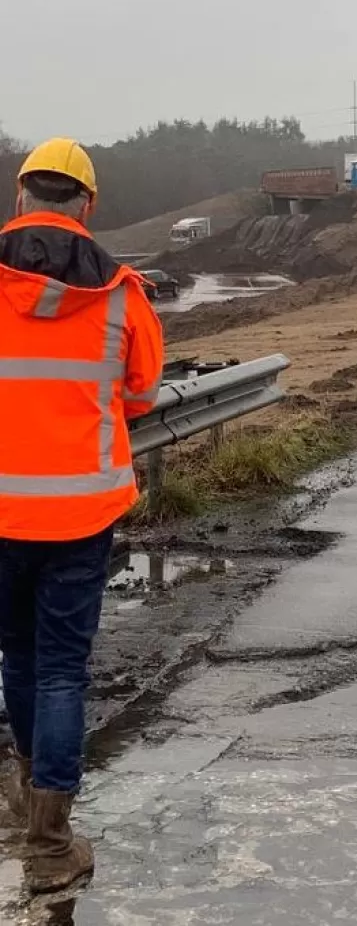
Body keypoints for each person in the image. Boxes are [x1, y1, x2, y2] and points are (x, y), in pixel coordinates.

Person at [0, 138, 163, 892]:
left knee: (18, 659)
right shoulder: (124, 293)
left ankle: (27, 796)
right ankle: (49, 843)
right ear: (88, 207)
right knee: (62, 668)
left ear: (20, 197)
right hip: (79, 515)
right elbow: (138, 397)